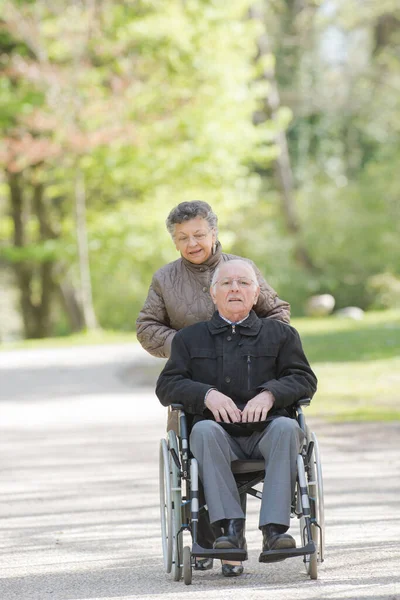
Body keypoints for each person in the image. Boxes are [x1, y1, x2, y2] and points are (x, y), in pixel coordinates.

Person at [136, 200, 290, 576]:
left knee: (263, 433)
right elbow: (147, 328)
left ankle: (231, 542)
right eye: (183, 238)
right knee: (203, 441)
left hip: (251, 382)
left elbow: (278, 315)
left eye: (199, 235)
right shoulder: (165, 279)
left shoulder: (239, 271)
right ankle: (213, 541)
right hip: (197, 384)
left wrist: (248, 342)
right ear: (174, 242)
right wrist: (195, 347)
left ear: (214, 233)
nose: (192, 243)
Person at [156, 259, 317, 577]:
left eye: (243, 283)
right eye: (226, 283)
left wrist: (270, 393)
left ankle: (275, 532)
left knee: (287, 427)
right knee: (202, 430)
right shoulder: (190, 339)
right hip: (217, 436)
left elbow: (303, 379)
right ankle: (227, 530)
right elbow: (167, 386)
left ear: (256, 293)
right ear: (213, 294)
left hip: (268, 433)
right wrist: (205, 394)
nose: (235, 289)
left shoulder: (281, 335)